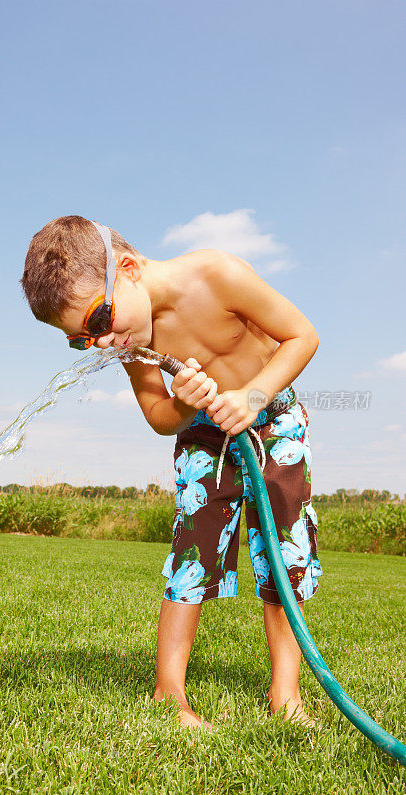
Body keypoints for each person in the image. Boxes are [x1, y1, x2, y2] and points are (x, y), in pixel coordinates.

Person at [20, 214, 322, 730]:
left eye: (96, 322)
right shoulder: (128, 334)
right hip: (205, 431)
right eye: (79, 340)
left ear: (130, 269)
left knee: (283, 551)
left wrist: (253, 398)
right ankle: (170, 694)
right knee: (194, 550)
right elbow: (160, 417)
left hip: (272, 417)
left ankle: (286, 693)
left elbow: (302, 336)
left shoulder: (216, 275)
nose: (98, 342)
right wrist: (184, 404)